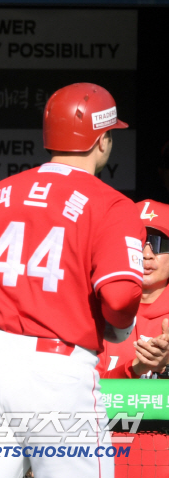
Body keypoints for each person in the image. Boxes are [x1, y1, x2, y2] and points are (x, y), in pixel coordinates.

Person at [0, 82, 146, 478]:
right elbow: (119, 302)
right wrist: (117, 328)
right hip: (57, 375)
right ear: (101, 140)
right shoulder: (111, 205)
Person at [96, 199, 169, 478]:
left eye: (159, 243)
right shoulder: (92, 312)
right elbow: (76, 394)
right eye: (137, 242)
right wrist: (134, 370)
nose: (147, 254)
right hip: (102, 463)